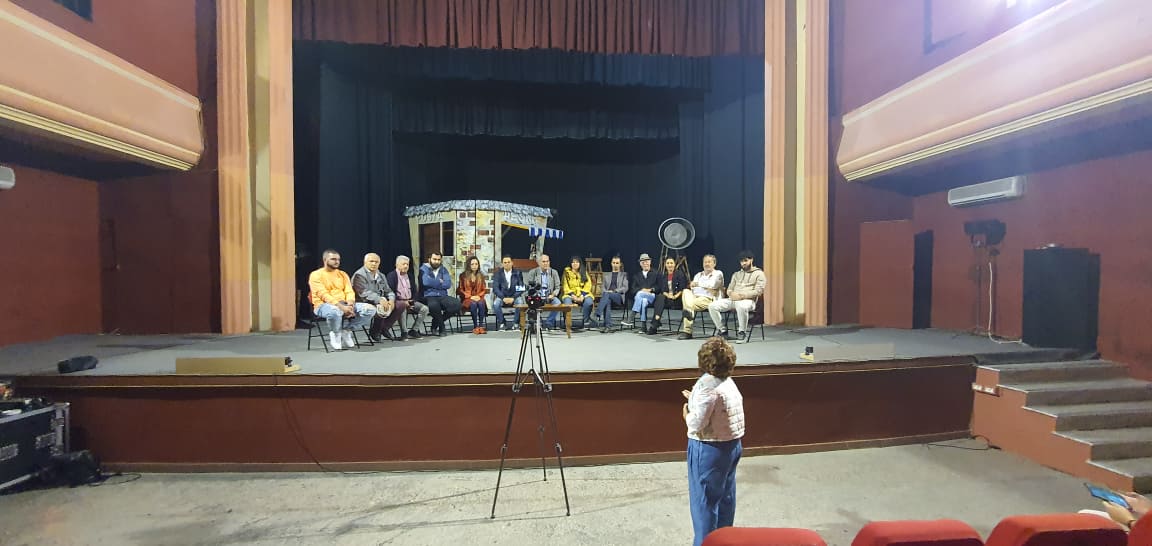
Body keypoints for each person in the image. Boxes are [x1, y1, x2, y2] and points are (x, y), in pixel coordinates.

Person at [682, 337, 745, 546]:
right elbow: (719, 407)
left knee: (705, 504)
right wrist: (696, 398)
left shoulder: (706, 386)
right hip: (732, 445)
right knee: (726, 498)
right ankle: (724, 541)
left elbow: (696, 424)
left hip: (709, 449)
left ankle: (706, 543)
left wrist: (687, 412)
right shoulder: (728, 382)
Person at [309, 249, 376, 350]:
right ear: (325, 260)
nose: (337, 262)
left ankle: (347, 330)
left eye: (338, 259)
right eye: (333, 259)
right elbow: (323, 295)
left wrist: (350, 305)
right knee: (335, 311)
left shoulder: (342, 274)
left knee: (370, 309)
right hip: (323, 305)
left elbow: (349, 291)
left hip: (345, 304)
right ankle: (336, 333)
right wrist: (341, 307)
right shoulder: (316, 275)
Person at [708, 250, 766, 342]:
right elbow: (729, 289)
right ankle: (722, 330)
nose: (743, 263)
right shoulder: (736, 274)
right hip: (733, 299)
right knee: (712, 306)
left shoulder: (759, 274)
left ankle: (742, 332)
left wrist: (742, 296)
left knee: (741, 305)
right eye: (742, 261)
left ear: (751, 260)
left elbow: (759, 291)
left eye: (746, 260)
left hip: (748, 301)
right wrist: (731, 294)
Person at [352, 253, 401, 342]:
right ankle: (376, 331)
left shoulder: (381, 275)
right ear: (365, 262)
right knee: (381, 307)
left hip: (381, 300)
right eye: (371, 261)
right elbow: (363, 293)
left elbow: (388, 290)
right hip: (364, 301)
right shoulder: (359, 275)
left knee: (400, 305)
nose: (374, 264)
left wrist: (391, 300)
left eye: (376, 262)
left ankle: (384, 328)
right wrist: (380, 300)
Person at [678, 255, 724, 340]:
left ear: (714, 264)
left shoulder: (718, 273)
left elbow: (712, 285)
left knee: (688, 306)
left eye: (709, 262)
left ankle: (687, 331)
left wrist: (698, 284)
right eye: (705, 262)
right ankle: (689, 311)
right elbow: (693, 288)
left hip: (708, 299)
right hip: (695, 297)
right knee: (686, 291)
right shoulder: (698, 275)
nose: (707, 264)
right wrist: (700, 287)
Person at [420, 252, 461, 337]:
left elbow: (448, 284)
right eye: (434, 259)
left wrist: (434, 283)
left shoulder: (443, 269)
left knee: (456, 304)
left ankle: (435, 323)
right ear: (429, 259)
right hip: (429, 295)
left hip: (442, 295)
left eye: (439, 260)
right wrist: (440, 282)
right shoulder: (424, 269)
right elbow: (425, 282)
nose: (436, 261)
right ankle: (442, 327)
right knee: (434, 305)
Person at [387, 255, 427, 340]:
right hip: (398, 301)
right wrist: (403, 302)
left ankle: (414, 330)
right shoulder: (392, 275)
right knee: (403, 307)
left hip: (410, 300)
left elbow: (414, 291)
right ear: (397, 265)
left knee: (424, 309)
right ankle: (404, 332)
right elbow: (390, 291)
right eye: (403, 264)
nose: (406, 266)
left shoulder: (410, 276)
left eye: (407, 264)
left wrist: (412, 300)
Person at [646, 257, 688, 335]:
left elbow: (683, 288)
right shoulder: (664, 276)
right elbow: (663, 290)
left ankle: (654, 325)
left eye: (671, 263)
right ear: (665, 265)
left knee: (660, 298)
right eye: (668, 263)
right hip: (668, 299)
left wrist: (675, 296)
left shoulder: (680, 274)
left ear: (674, 264)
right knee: (660, 297)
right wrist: (668, 295)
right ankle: (656, 320)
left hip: (678, 299)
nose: (669, 265)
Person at [524, 254, 562, 329]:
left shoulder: (554, 272)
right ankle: (538, 322)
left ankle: (549, 322)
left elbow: (558, 287)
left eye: (547, 261)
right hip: (537, 296)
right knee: (532, 303)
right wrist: (535, 294)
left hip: (549, 296)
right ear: (539, 263)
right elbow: (528, 286)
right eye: (543, 261)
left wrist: (553, 294)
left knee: (558, 303)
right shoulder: (533, 272)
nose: (546, 263)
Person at [594, 256, 629, 333]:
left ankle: (597, 313)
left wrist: (614, 291)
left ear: (620, 264)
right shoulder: (606, 275)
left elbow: (625, 288)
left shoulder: (624, 275)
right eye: (614, 263)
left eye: (617, 263)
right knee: (607, 300)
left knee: (607, 295)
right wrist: (607, 292)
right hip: (607, 297)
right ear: (611, 263)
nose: (615, 265)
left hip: (618, 297)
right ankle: (608, 326)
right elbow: (602, 288)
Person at [492, 255, 525, 331]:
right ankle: (502, 323)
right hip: (502, 296)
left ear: (512, 263)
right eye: (505, 262)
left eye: (508, 262)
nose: (507, 264)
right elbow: (495, 288)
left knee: (520, 302)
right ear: (502, 264)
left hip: (514, 296)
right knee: (496, 304)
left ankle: (516, 323)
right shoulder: (498, 273)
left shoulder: (517, 272)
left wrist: (513, 298)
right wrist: (503, 298)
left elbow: (521, 288)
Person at [458, 255, 489, 334]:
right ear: (469, 265)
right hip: (467, 298)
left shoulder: (481, 275)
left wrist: (478, 296)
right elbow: (460, 290)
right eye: (472, 264)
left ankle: (481, 326)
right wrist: (471, 297)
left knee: (481, 303)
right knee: (473, 304)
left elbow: (483, 289)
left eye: (476, 264)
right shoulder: (463, 276)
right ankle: (475, 326)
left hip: (478, 297)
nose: (474, 266)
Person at [562, 256, 595, 329]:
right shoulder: (566, 272)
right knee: (567, 303)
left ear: (580, 263)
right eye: (573, 262)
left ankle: (586, 321)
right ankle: (567, 322)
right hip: (570, 294)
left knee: (589, 302)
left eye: (577, 262)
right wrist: (572, 295)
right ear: (570, 264)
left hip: (583, 294)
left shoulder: (584, 272)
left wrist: (582, 295)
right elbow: (565, 285)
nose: (575, 264)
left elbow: (588, 285)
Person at [630, 253, 660, 332]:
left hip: (652, 297)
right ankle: (643, 326)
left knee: (639, 294)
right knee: (643, 300)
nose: (645, 263)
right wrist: (642, 289)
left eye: (647, 261)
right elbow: (633, 289)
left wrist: (651, 290)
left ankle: (632, 316)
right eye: (643, 262)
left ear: (650, 262)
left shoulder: (656, 273)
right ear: (640, 264)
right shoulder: (637, 276)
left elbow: (659, 287)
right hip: (641, 298)